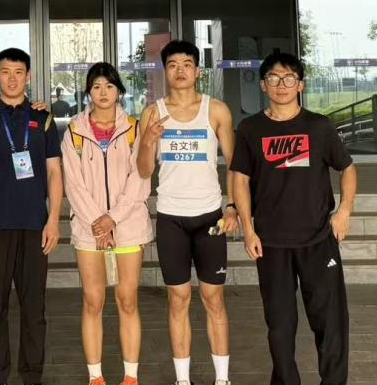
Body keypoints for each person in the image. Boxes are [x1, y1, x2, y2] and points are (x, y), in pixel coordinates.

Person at [229, 52, 357, 385]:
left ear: (300, 85)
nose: (281, 84)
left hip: (318, 239)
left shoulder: (318, 126)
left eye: (289, 78)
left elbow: (347, 168)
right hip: (271, 242)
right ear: (263, 85)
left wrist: (344, 210)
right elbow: (240, 179)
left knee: (330, 322)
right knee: (280, 325)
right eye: (274, 78)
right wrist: (248, 229)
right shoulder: (250, 128)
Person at [136, 40, 240, 385]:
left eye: (186, 64)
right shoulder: (152, 113)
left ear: (197, 71)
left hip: (210, 217)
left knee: (213, 297)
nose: (180, 70)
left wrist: (233, 206)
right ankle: (183, 380)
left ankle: (222, 379)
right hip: (171, 218)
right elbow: (143, 170)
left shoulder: (216, 110)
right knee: (178, 299)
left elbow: (235, 165)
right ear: (164, 71)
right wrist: (148, 140)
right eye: (172, 65)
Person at [0, 48, 63, 385]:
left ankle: (32, 376)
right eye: (5, 72)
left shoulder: (43, 119)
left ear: (28, 76)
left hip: (35, 224)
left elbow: (54, 172)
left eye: (19, 72)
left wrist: (53, 219)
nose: (12, 78)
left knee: (34, 307)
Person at [60, 62, 153, 385]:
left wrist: (112, 218)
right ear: (88, 92)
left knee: (127, 300)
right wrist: (98, 223)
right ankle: (95, 377)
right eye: (97, 87)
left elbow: (141, 178)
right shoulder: (74, 131)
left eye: (109, 86)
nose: (103, 93)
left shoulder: (135, 128)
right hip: (88, 230)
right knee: (93, 300)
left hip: (129, 226)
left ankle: (131, 377)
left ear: (119, 92)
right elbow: (73, 184)